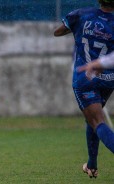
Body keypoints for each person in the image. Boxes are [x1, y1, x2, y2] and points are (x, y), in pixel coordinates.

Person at [54, 0, 114, 179]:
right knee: (93, 118)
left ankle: (93, 163)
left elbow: (57, 32)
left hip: (85, 78)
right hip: (109, 79)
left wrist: (76, 28)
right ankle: (92, 164)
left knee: (96, 120)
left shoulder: (82, 14)